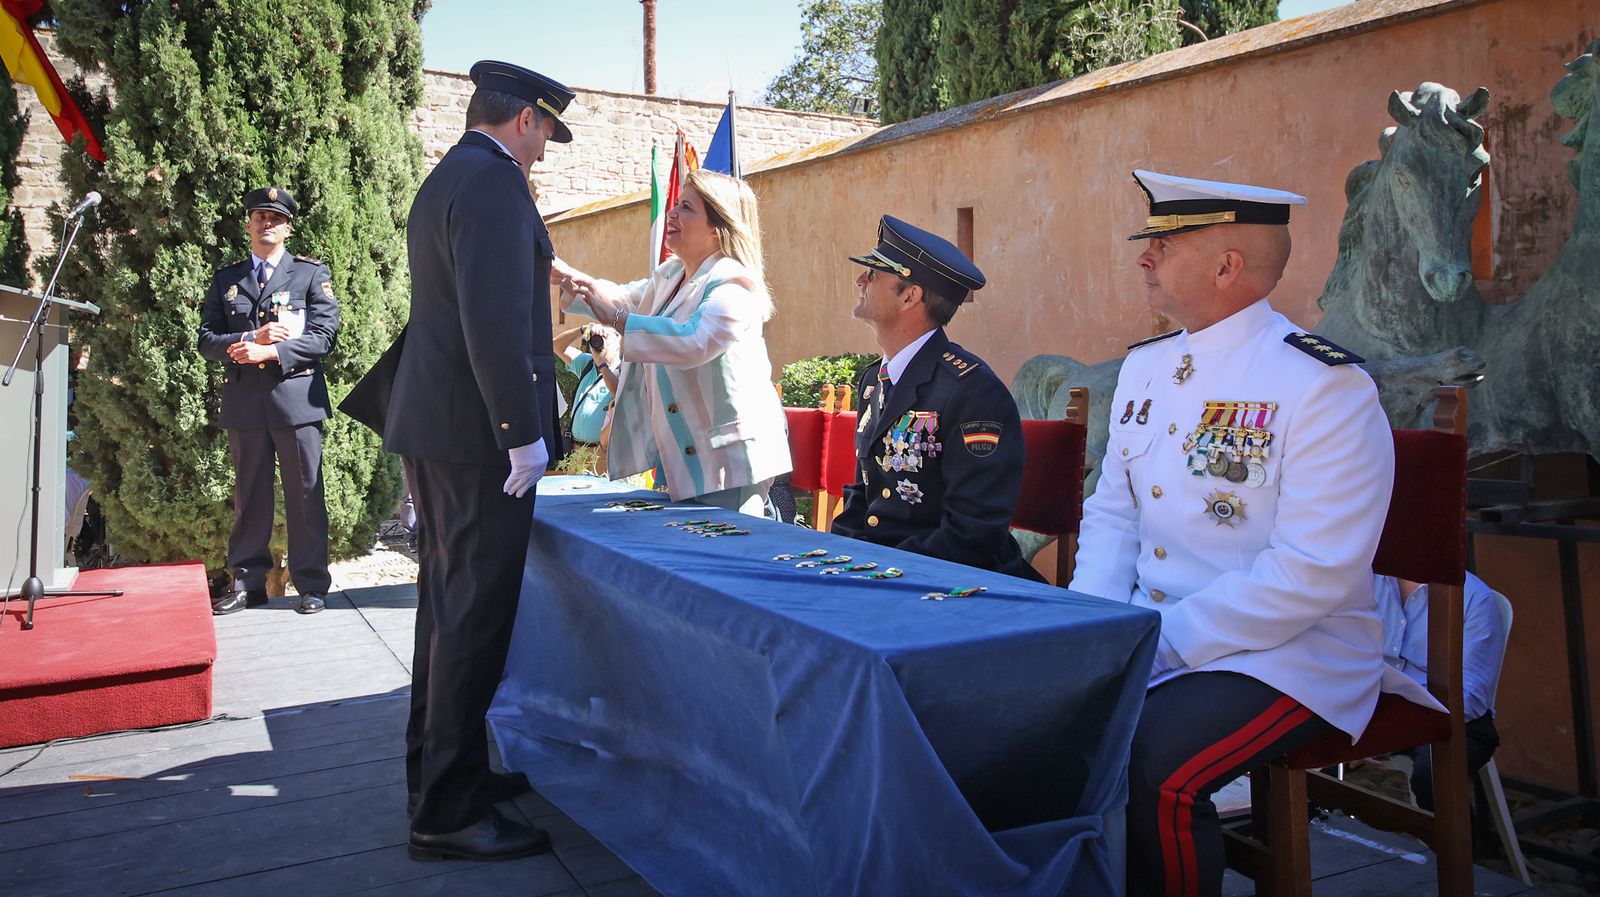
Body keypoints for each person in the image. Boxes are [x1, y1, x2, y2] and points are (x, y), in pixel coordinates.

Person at [1069, 169, 1437, 897]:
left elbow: (1314, 570)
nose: (1143, 256)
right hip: (1155, 629)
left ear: (1227, 265)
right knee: (1048, 713)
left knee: (1152, 763)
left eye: (1162, 243)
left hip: (1293, 651)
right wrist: (1093, 629)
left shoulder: (1322, 384)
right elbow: (1114, 513)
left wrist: (1160, 642)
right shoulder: (1144, 370)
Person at [344, 60, 572, 862]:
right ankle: (448, 809)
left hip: (442, 431)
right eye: (546, 133)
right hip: (478, 440)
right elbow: (493, 318)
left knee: (445, 610)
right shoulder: (494, 184)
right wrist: (520, 431)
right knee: (472, 617)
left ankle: (443, 774)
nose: (544, 151)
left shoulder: (451, 174)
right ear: (525, 121)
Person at [559, 168, 791, 515]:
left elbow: (694, 341)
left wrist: (618, 321)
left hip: (729, 464)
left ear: (717, 226)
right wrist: (563, 275)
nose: (672, 213)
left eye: (686, 207)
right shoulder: (671, 274)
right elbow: (621, 298)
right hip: (684, 452)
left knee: (721, 556)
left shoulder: (733, 283)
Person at [831, 215, 1042, 582]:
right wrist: (841, 562)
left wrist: (877, 573)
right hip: (886, 574)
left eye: (875, 273)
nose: (860, 280)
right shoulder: (873, 381)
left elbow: (972, 534)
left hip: (953, 584)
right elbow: (862, 495)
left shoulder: (972, 390)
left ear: (911, 295)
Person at [197, 186, 339, 616]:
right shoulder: (228, 279)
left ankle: (312, 584)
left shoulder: (310, 275)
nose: (266, 224)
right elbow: (206, 339)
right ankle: (246, 583)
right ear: (249, 224)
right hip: (246, 403)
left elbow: (323, 337)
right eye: (259, 216)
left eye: (275, 219)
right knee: (249, 497)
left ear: (288, 228)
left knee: (305, 494)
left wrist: (272, 352)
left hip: (295, 401)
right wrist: (246, 339)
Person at [1374, 572, 1507, 811]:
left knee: (1433, 776)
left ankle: (1462, 847)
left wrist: (1391, 730)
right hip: (1376, 707)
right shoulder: (1370, 579)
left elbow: (1470, 699)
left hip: (1450, 717)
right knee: (1308, 737)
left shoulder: (1474, 598)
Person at [552, 322, 619, 469]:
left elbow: (618, 394)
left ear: (618, 344)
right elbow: (556, 346)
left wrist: (602, 365)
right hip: (576, 451)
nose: (602, 342)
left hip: (603, 454)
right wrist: (582, 329)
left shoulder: (622, 369)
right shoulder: (587, 363)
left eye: (607, 338)